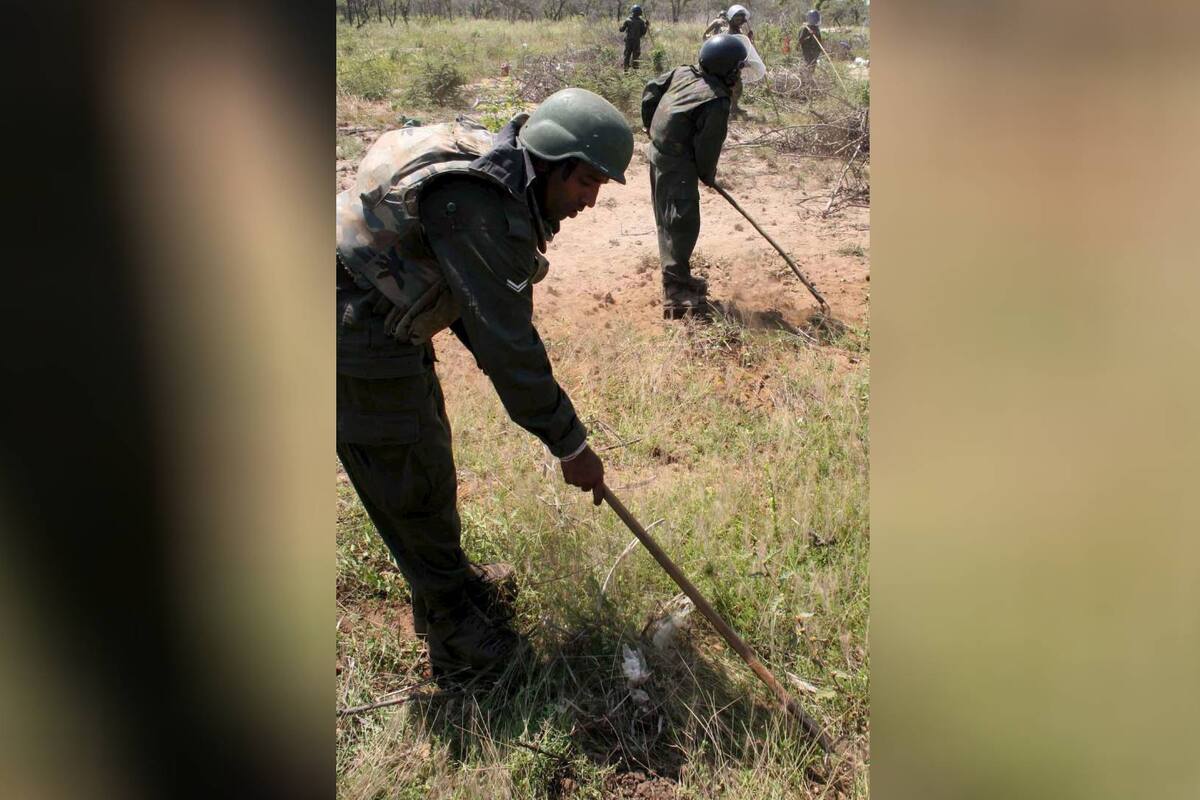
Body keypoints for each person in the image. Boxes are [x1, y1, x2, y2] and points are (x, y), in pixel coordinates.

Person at [335, 88, 634, 680]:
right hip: (349, 330)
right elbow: (507, 345)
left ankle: (453, 590)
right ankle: (460, 641)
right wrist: (571, 445)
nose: (590, 201)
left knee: (425, 460)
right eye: (586, 182)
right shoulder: (477, 203)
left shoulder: (502, 167)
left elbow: (479, 316)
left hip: (380, 317)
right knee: (409, 483)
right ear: (553, 163)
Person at [641, 35, 747, 320]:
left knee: (667, 220)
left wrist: (651, 128)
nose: (739, 74)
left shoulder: (682, 73)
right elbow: (707, 148)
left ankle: (679, 277)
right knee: (682, 223)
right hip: (677, 166)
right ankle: (676, 296)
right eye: (738, 68)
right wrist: (706, 174)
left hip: (658, 154)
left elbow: (650, 92)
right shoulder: (717, 100)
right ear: (727, 69)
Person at [619, 5, 650, 71]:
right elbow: (643, 33)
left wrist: (621, 27)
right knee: (635, 57)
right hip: (636, 42)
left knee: (627, 56)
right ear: (639, 13)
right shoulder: (641, 22)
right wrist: (646, 25)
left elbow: (622, 30)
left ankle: (626, 71)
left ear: (632, 12)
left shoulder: (627, 20)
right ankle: (635, 73)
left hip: (628, 42)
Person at [798, 8, 822, 74]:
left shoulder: (816, 28)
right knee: (807, 68)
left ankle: (810, 78)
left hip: (814, 53)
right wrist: (809, 35)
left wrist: (820, 50)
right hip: (807, 53)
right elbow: (800, 41)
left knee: (812, 69)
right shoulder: (805, 28)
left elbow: (819, 40)